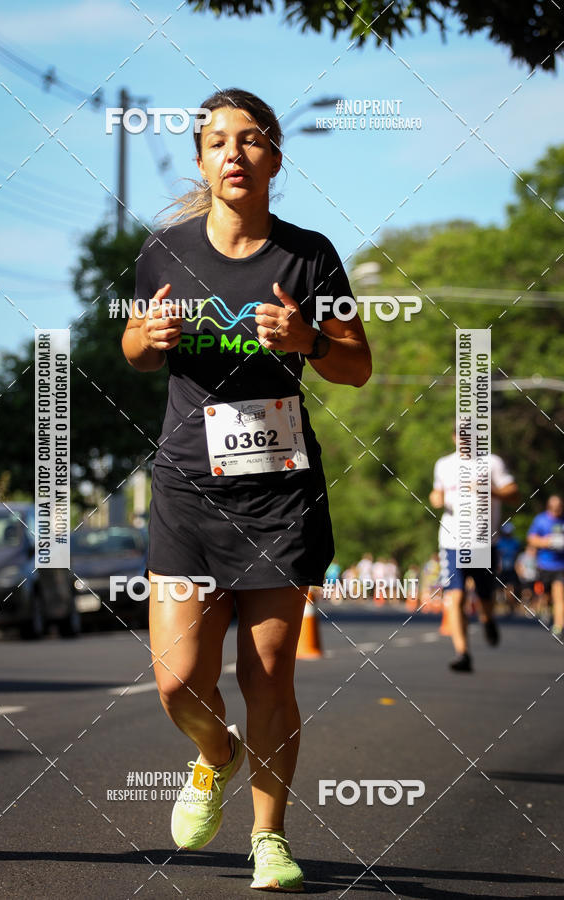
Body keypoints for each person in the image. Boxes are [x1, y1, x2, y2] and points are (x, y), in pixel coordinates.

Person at [122, 88, 372, 892]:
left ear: (274, 158)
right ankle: (214, 753)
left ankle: (270, 838)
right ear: (201, 160)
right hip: (189, 489)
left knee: (268, 673)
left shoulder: (310, 256)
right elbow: (132, 345)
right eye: (219, 142)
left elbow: (356, 364)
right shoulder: (164, 253)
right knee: (176, 677)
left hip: (281, 495)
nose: (235, 153)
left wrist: (309, 340)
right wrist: (146, 339)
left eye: (253, 140)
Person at [429, 428, 519, 672]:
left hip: (482, 541)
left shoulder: (491, 462)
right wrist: (436, 497)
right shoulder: (444, 464)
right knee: (455, 596)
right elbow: (436, 494)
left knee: (485, 597)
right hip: (452, 542)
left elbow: (513, 492)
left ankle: (488, 620)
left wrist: (489, 489)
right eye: (460, 434)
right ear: (454, 438)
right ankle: (462, 653)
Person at [527, 495, 564, 639]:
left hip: (560, 565)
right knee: (546, 596)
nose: (557, 510)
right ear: (549, 507)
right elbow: (531, 539)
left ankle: (559, 626)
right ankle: (547, 611)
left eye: (559, 507)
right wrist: (547, 542)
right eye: (554, 507)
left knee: (559, 596)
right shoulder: (541, 520)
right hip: (544, 565)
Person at [496, 522, 521, 616]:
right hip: (501, 570)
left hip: (511, 569)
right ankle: (503, 606)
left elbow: (517, 555)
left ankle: (510, 607)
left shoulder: (515, 542)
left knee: (510, 588)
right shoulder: (499, 542)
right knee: (499, 589)